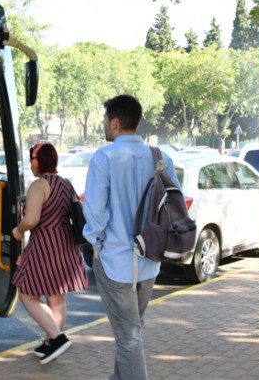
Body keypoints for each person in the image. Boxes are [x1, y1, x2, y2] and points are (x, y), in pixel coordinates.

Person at [82, 94, 180, 380]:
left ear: (115, 122)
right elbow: (174, 204)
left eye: (105, 120)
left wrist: (95, 244)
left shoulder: (104, 157)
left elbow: (95, 212)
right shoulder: (161, 158)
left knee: (128, 336)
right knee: (132, 332)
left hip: (116, 261)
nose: (104, 125)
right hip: (150, 259)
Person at [11, 143, 88, 365]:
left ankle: (56, 338)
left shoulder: (39, 185)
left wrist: (18, 230)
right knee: (56, 297)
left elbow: (31, 220)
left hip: (45, 244)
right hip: (66, 244)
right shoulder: (66, 184)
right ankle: (51, 343)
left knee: (26, 292)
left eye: (32, 158)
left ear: (41, 161)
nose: (30, 163)